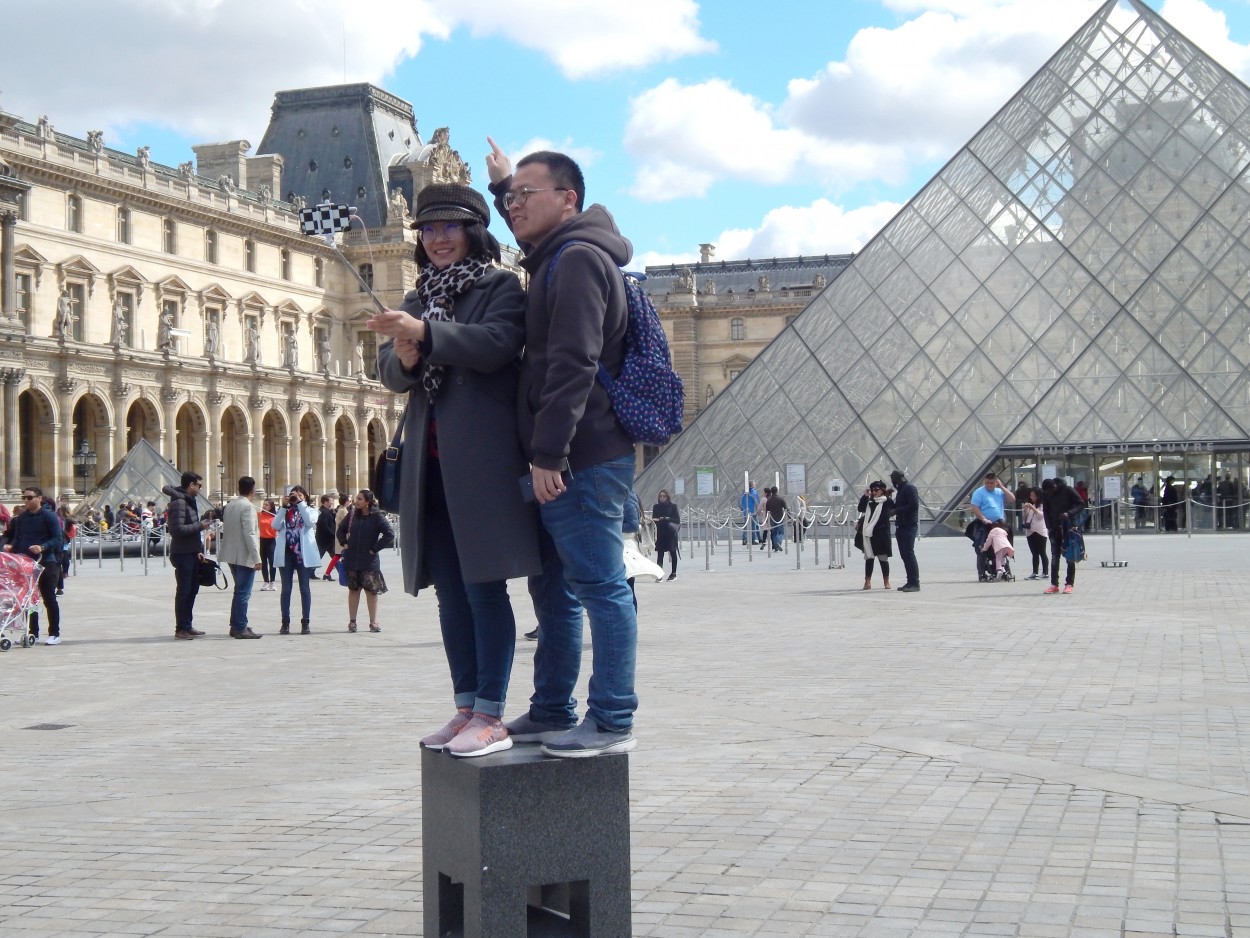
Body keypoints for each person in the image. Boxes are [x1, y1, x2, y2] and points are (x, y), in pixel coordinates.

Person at [370, 181, 540, 758]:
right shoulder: (419, 296)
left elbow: (496, 344)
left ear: (473, 231)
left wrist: (425, 336)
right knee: (449, 593)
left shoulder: (499, 287)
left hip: (483, 466)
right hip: (429, 469)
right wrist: (406, 355)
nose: (439, 239)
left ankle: (491, 713)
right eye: (429, 229)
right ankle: (466, 703)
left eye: (450, 227)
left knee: (484, 590)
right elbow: (388, 373)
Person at [486, 139, 639, 757]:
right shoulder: (561, 253)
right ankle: (553, 706)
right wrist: (503, 187)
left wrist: (549, 454)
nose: (515, 206)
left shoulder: (575, 260)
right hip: (569, 453)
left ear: (567, 199)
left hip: (581, 456)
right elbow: (530, 243)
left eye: (526, 195)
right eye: (511, 196)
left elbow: (573, 361)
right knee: (554, 591)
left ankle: (612, 719)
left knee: (601, 588)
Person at [3, 487, 63, 644]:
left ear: (39, 498)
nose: (26, 500)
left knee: (48, 597)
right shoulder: (21, 518)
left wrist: (42, 547)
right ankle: (32, 633)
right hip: (26, 563)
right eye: (25, 497)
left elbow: (58, 539)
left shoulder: (49, 516)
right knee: (29, 599)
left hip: (47, 561)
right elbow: (17, 538)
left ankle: (54, 633)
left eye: (30, 497)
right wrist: (10, 546)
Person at [336, 489, 395, 633]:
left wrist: (375, 548)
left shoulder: (377, 517)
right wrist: (344, 542)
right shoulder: (351, 515)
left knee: (371, 591)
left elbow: (389, 534)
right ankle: (352, 621)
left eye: (360, 499)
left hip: (369, 560)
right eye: (356, 498)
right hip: (352, 558)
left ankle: (373, 622)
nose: (356, 501)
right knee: (354, 590)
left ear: (367, 502)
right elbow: (340, 530)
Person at [163, 471, 212, 640]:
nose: (200, 489)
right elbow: (176, 530)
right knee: (184, 591)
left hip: (190, 551)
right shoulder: (179, 503)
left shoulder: (189, 501)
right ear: (191, 485)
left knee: (192, 590)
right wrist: (200, 526)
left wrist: (198, 549)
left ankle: (188, 625)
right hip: (182, 553)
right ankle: (180, 628)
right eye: (199, 485)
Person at [218, 476, 262, 639]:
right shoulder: (248, 507)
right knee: (244, 592)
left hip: (231, 554)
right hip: (244, 555)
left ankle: (236, 624)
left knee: (239, 591)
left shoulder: (230, 505)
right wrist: (257, 558)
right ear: (253, 490)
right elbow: (249, 534)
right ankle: (240, 627)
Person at [272, 485, 318, 634]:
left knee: (305, 589)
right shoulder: (285, 511)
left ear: (305, 497)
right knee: (286, 589)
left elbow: (310, 521)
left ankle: (306, 622)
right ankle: (285, 622)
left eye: (300, 495)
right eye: (294, 495)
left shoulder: (311, 510)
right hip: (287, 554)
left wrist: (300, 504)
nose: (297, 497)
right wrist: (284, 508)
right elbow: (275, 525)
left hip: (303, 555)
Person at [969, 471, 1015, 581]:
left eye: (991, 483)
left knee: (1001, 546)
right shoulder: (979, 492)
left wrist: (1002, 487)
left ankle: (1001, 568)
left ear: (996, 482)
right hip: (984, 523)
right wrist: (983, 519)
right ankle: (982, 573)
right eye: (987, 483)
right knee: (981, 547)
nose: (989, 485)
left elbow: (1012, 499)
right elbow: (975, 507)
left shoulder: (999, 492)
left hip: (998, 524)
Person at [1041, 477, 1084, 593]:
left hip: (1069, 526)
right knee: (1055, 556)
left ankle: (1069, 583)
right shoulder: (1046, 494)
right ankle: (1054, 584)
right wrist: (1049, 526)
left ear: (1055, 486)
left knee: (1070, 555)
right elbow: (1045, 510)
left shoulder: (1068, 490)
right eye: (1048, 491)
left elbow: (1081, 504)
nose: (1051, 492)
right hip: (1054, 528)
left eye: (1052, 490)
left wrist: (1069, 513)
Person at [855, 481, 894, 589]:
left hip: (881, 534)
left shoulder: (887, 502)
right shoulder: (870, 502)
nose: (874, 492)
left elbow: (889, 515)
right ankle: (867, 582)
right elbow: (860, 508)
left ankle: (886, 581)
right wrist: (865, 496)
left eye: (876, 490)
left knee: (883, 559)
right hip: (869, 535)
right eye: (872, 490)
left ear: (882, 490)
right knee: (869, 559)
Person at [889, 469, 920, 592]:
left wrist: (896, 511)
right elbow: (896, 507)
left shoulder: (909, 488)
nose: (892, 480)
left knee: (909, 554)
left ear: (898, 478)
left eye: (893, 478)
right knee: (905, 555)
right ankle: (910, 581)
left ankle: (915, 583)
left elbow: (913, 505)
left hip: (909, 525)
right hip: (901, 525)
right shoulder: (901, 490)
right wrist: (888, 498)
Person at [651, 490, 680, 581]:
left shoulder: (673, 506)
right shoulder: (656, 507)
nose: (662, 498)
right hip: (660, 533)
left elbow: (677, 519)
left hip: (670, 533)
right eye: (661, 496)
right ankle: (659, 575)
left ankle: (673, 573)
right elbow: (654, 518)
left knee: (672, 552)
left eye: (664, 496)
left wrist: (666, 518)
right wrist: (658, 520)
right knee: (660, 554)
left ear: (667, 497)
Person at [1022, 487, 1049, 580]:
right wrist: (1025, 510)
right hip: (1030, 532)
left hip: (1040, 532)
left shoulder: (1042, 505)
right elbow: (1025, 519)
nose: (1032, 497)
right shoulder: (1031, 505)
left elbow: (1040, 516)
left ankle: (1045, 572)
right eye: (1031, 495)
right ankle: (1035, 572)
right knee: (1034, 553)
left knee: (1042, 552)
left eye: (1034, 495)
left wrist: (1032, 507)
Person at [315, 494, 337, 580]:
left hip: (328, 539)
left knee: (335, 556)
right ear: (326, 502)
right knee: (318, 557)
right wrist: (333, 534)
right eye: (331, 500)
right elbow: (324, 526)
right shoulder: (323, 512)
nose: (332, 502)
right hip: (324, 539)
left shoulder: (327, 511)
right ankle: (308, 572)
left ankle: (329, 574)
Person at [258, 498, 277, 591]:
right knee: (263, 562)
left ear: (271, 507)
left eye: (266, 505)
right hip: (262, 540)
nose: (264, 506)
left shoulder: (274, 516)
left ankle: (272, 582)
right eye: (264, 504)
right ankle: (266, 581)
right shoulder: (259, 515)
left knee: (272, 561)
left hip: (271, 540)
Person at [765, 486, 788, 552]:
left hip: (772, 518)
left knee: (774, 532)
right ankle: (779, 542)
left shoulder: (769, 500)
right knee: (781, 532)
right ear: (777, 491)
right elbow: (786, 508)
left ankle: (776, 546)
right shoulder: (781, 499)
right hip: (780, 517)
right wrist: (790, 516)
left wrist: (767, 519)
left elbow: (767, 510)